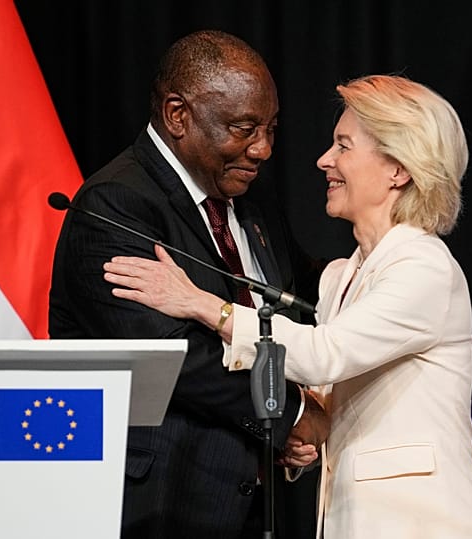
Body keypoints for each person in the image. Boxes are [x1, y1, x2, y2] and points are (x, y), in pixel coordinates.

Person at [102, 74, 472, 538]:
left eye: (344, 146)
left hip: (419, 522)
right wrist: (308, 425)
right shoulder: (342, 276)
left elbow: (322, 352)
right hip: (351, 518)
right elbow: (331, 387)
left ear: (399, 169)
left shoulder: (423, 266)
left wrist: (201, 304)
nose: (325, 160)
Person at [48, 30, 328, 539]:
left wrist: (391, 264)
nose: (263, 149)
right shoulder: (116, 206)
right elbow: (171, 356)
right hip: (160, 504)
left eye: (270, 128)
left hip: (259, 503)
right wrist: (285, 414)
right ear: (178, 115)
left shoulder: (251, 203)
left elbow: (307, 301)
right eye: (245, 128)